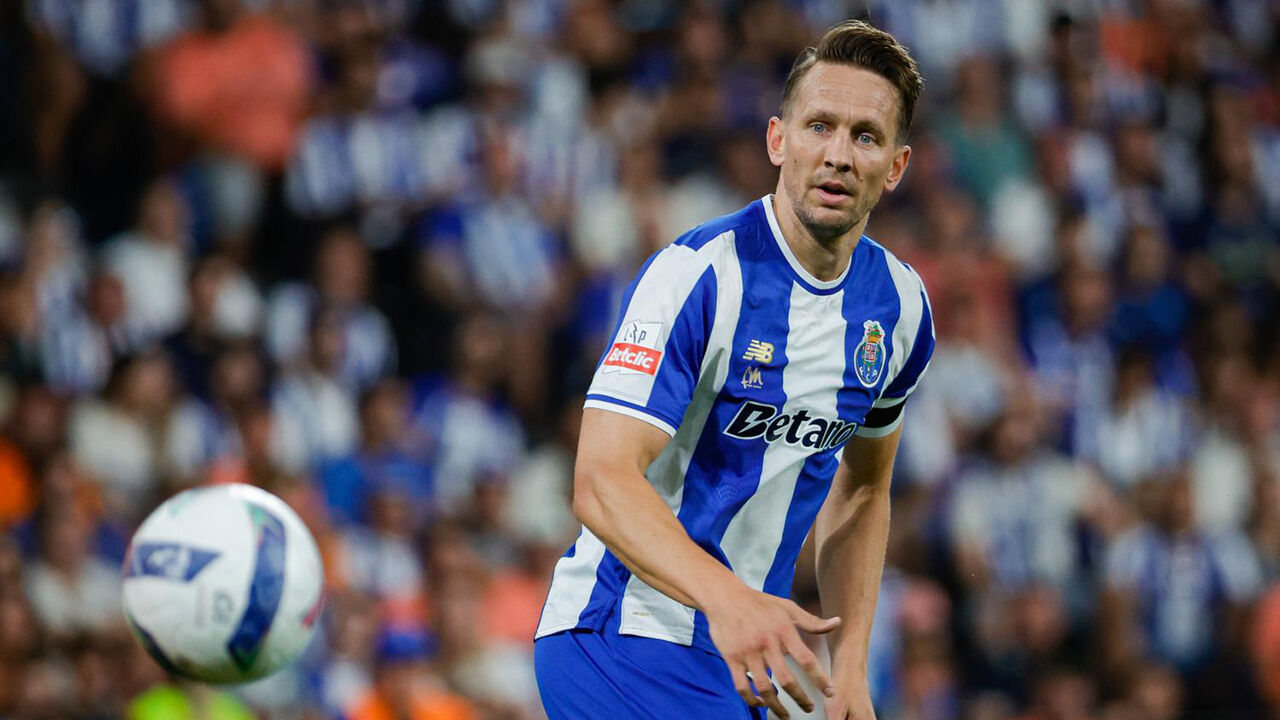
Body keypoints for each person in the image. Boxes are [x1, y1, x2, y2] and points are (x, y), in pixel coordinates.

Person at [534, 20, 933, 720]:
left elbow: (864, 489)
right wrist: (729, 600)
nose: (838, 155)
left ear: (896, 167)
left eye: (865, 136)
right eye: (819, 126)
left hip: (749, 660)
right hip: (623, 636)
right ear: (778, 140)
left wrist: (850, 670)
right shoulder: (699, 275)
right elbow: (600, 481)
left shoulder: (898, 309)